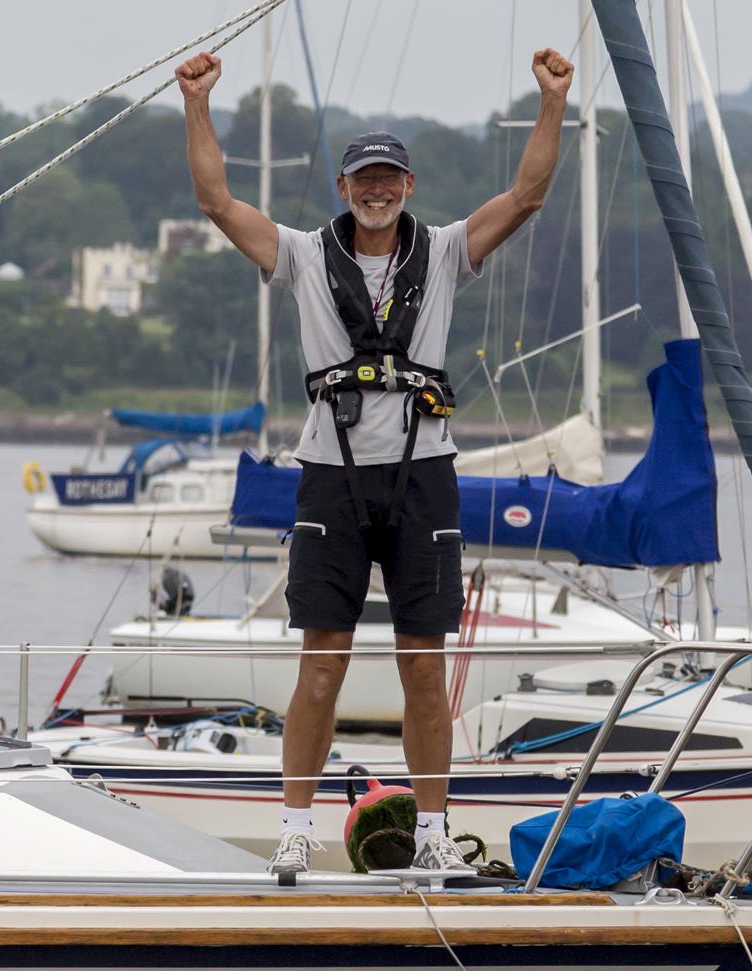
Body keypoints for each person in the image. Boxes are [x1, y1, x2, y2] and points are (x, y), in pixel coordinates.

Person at [176, 46, 574, 874]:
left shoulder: (447, 251)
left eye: (390, 176)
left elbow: (528, 195)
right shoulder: (299, 256)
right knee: (322, 664)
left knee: (424, 667)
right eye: (365, 178)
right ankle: (295, 827)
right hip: (331, 473)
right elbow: (215, 200)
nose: (378, 189)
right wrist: (199, 102)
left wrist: (550, 102)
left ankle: (431, 835)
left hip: (426, 474)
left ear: (410, 186)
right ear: (344, 189)